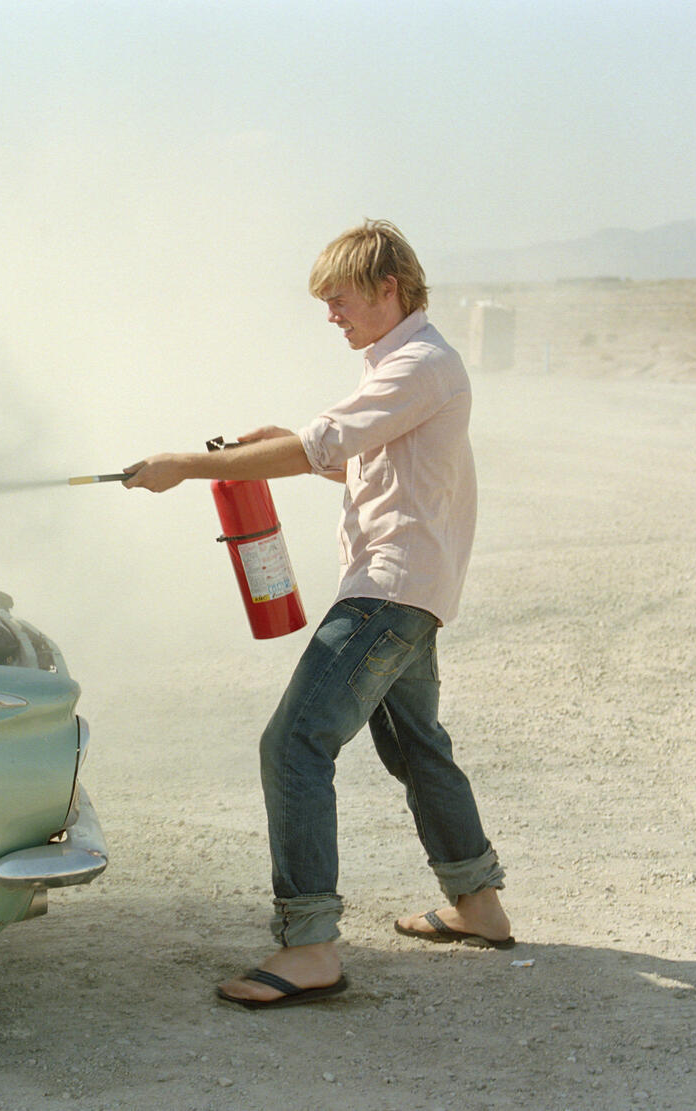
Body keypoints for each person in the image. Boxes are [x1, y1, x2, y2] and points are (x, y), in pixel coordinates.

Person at [124, 219, 511, 1009]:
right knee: (416, 744)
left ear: (386, 290)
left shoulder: (418, 364)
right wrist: (292, 445)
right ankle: (479, 902)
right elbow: (379, 472)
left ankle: (309, 946)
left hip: (388, 592)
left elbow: (321, 444)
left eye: (338, 300)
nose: (331, 315)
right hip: (411, 590)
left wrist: (188, 466)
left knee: (295, 741)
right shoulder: (409, 366)